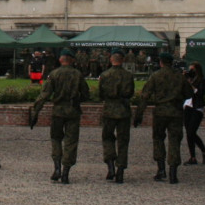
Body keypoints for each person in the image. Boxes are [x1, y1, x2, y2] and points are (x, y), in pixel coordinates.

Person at [30, 48, 89, 184]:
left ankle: (57, 168)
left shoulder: (54, 74)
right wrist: (78, 100)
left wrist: (35, 112)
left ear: (60, 59)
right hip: (73, 111)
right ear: (72, 60)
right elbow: (86, 94)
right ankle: (66, 172)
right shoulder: (77, 74)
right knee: (71, 141)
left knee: (56, 139)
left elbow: (44, 95)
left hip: (58, 112)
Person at [134, 51, 191, 184]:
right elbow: (189, 94)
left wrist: (138, 115)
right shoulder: (179, 77)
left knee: (158, 139)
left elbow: (145, 96)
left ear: (161, 62)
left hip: (160, 112)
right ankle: (173, 172)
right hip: (176, 112)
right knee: (175, 140)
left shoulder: (155, 76)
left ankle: (161, 169)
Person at [98, 48, 134, 183]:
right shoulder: (128, 75)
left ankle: (110, 165)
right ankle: (120, 170)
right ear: (123, 60)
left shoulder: (105, 75)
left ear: (111, 59)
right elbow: (130, 93)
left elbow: (100, 94)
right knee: (123, 141)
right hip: (124, 110)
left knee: (107, 138)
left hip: (109, 110)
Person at [183, 61, 205, 166]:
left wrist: (191, 85)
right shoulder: (189, 80)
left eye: (192, 70)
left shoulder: (202, 81)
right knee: (189, 133)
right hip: (188, 106)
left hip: (197, 108)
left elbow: (200, 93)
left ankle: (204, 152)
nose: (191, 72)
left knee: (191, 132)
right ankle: (193, 157)